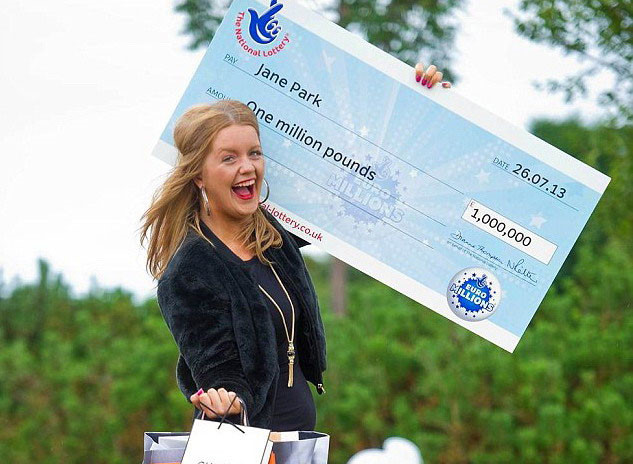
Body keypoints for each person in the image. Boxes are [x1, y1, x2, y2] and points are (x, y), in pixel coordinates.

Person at [140, 62, 450, 431]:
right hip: (250, 445)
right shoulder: (189, 272)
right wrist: (227, 398)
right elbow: (217, 364)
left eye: (254, 153)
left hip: (301, 443)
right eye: (229, 158)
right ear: (198, 175)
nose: (248, 167)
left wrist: (424, 102)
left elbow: (366, 185)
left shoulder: (274, 236)